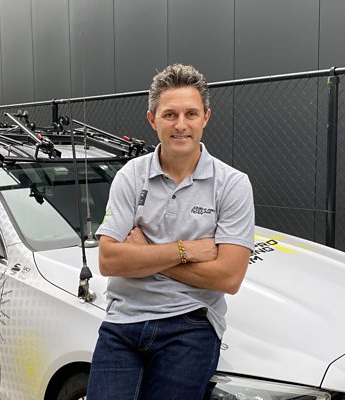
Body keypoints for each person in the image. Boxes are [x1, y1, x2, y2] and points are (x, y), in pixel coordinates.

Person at [87, 63, 254, 400]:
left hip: (190, 324)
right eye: (169, 115)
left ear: (206, 117)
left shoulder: (232, 185)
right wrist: (186, 250)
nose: (181, 125)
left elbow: (228, 277)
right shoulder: (131, 176)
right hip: (123, 322)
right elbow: (109, 260)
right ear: (153, 120)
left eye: (191, 114)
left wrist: (144, 251)